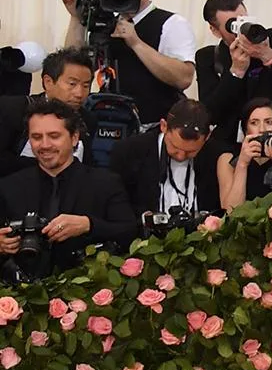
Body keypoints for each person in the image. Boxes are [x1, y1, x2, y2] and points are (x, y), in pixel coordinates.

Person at [0, 99, 135, 281]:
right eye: (37, 137)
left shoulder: (105, 183)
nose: (45, 145)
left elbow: (130, 232)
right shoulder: (9, 186)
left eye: (54, 136)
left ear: (74, 138)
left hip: (89, 292)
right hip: (22, 295)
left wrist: (89, 225)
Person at [60, 0, 196, 124]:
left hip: (153, 125)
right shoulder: (107, 23)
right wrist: (76, 17)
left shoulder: (171, 23)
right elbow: (74, 66)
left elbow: (183, 78)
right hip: (107, 121)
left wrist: (136, 43)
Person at [194, 0, 272, 148]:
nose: (241, 30)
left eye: (244, 21)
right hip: (235, 147)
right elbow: (210, 115)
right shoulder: (209, 57)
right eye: (232, 25)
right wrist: (235, 72)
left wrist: (269, 57)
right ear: (215, 30)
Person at [108, 98, 218, 220]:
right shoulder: (130, 152)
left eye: (190, 152)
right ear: (164, 126)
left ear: (207, 137)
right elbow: (116, 206)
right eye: (175, 147)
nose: (181, 156)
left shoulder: (215, 157)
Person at [0, 47, 96, 176]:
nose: (79, 93)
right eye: (72, 84)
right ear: (48, 82)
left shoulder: (87, 120)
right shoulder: (13, 109)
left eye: (86, 86)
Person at [216, 98, 272, 211]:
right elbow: (230, 212)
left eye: (269, 122)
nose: (262, 129)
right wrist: (242, 164)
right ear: (246, 130)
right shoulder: (227, 159)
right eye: (254, 123)